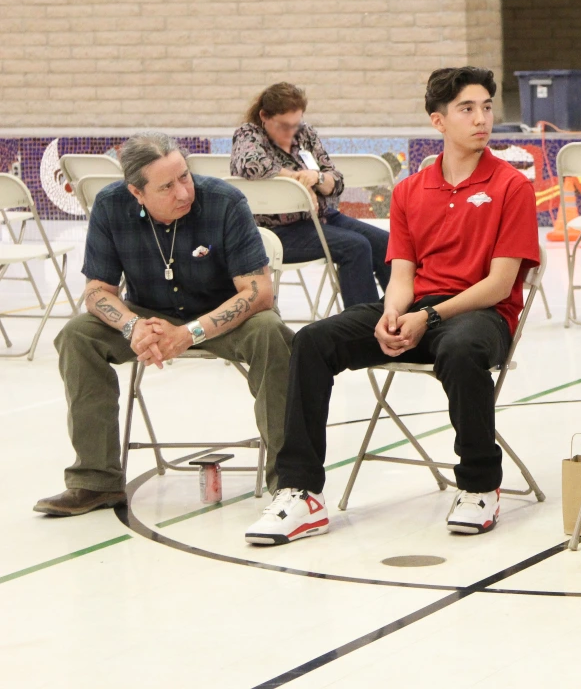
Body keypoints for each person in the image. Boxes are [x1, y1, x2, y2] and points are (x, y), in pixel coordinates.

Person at [244, 67, 539, 545]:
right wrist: (391, 314)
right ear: (438, 121)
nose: (482, 118)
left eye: (487, 107)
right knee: (314, 341)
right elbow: (402, 276)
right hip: (419, 308)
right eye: (467, 108)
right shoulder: (409, 190)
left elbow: (500, 284)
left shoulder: (512, 187)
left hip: (479, 315)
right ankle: (301, 493)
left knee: (462, 350)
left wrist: (431, 317)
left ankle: (480, 485)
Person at [35, 132, 293, 516]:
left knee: (272, 333)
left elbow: (258, 292)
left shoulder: (224, 202)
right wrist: (133, 328)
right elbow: (97, 292)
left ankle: (290, 480)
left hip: (224, 316)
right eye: (167, 186)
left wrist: (189, 333)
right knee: (76, 336)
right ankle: (95, 481)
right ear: (136, 192)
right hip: (148, 315)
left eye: (185, 177)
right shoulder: (110, 206)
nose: (184, 193)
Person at [230, 82, 391, 307]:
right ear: (264, 116)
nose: (291, 132)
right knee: (355, 247)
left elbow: (336, 179)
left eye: (296, 124)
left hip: (319, 218)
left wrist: (317, 178)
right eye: (284, 126)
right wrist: (299, 182)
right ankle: (363, 330)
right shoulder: (249, 134)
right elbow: (252, 165)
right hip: (274, 230)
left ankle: (396, 316)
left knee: (387, 243)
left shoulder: (305, 133)